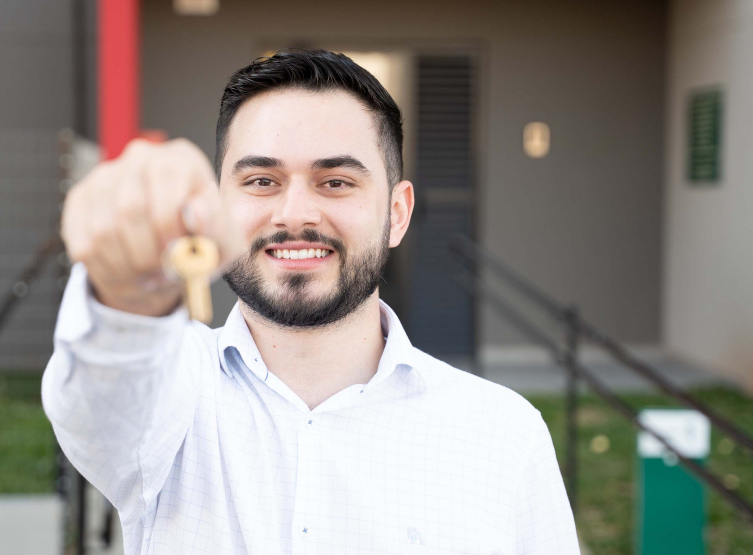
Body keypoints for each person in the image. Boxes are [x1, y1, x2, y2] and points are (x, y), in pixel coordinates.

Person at [43, 49, 580, 554]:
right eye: (262, 180)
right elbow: (99, 402)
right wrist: (125, 287)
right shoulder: (170, 393)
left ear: (397, 214)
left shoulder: (504, 435)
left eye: (336, 182)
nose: (295, 214)